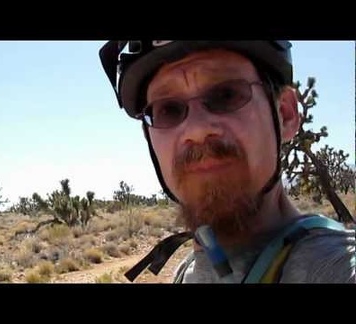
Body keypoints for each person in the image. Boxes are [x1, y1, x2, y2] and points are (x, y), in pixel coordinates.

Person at [98, 41, 355, 283]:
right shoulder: (187, 270)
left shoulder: (334, 266)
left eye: (226, 94)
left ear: (286, 114)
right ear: (149, 138)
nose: (196, 130)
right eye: (168, 110)